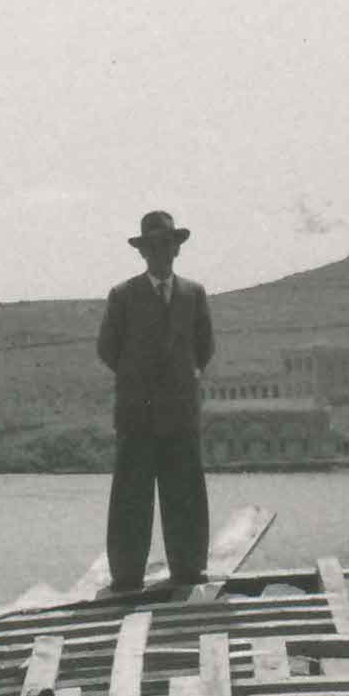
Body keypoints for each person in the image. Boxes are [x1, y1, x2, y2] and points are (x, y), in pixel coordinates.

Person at [97, 210, 214, 592]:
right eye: (153, 246)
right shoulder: (123, 296)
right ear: (143, 252)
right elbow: (108, 349)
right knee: (131, 495)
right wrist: (138, 381)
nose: (161, 253)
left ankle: (189, 569)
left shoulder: (194, 294)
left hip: (181, 415)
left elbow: (204, 348)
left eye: (168, 245)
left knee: (185, 492)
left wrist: (179, 381)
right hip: (137, 415)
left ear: (177, 249)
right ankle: (127, 574)